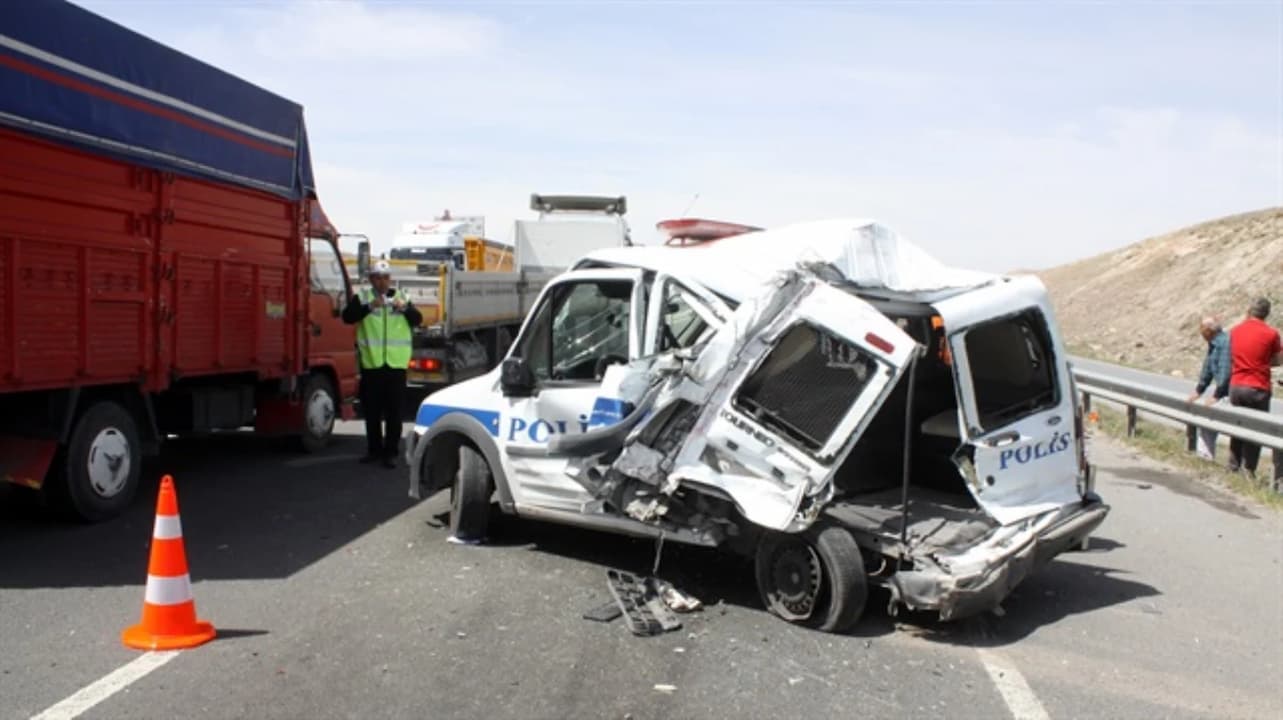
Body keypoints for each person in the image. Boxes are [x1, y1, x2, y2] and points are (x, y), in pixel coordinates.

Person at [342, 261, 422, 468]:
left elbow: (417, 319)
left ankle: (391, 452)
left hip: (395, 364)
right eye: (377, 277)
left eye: (385, 277)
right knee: (372, 411)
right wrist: (369, 308)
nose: (382, 281)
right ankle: (374, 450)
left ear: (390, 279)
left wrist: (404, 309)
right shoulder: (363, 298)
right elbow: (348, 317)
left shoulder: (402, 297)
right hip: (372, 363)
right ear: (371, 279)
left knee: (394, 412)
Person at [1226, 297, 1282, 477]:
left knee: (1237, 425)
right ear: (1267, 314)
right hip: (1258, 386)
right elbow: (1278, 359)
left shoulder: (1235, 331)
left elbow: (1231, 355)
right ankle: (1249, 469)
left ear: (1249, 310)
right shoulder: (1271, 334)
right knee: (1255, 430)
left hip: (1236, 384)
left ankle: (1232, 465)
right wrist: (1264, 361)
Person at [1186, 316, 1231, 460]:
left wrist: (1216, 395)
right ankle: (1205, 456)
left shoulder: (1224, 343)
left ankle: (1205, 457)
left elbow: (1225, 372)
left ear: (1209, 331)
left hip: (1229, 392)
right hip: (1225, 391)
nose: (1201, 334)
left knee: (1209, 420)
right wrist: (1199, 390)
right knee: (1207, 421)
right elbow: (1208, 369)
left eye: (1203, 330)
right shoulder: (1214, 344)